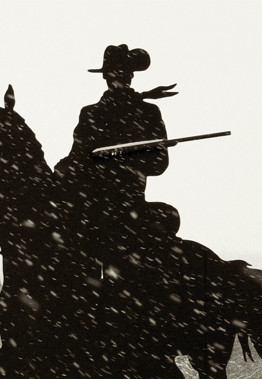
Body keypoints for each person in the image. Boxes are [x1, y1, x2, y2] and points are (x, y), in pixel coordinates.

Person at [54, 44, 179, 278]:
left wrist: (121, 159)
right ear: (105, 77)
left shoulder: (148, 112)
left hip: (129, 209)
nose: (117, 79)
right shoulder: (90, 113)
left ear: (131, 76)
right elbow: (77, 158)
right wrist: (62, 168)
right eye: (112, 74)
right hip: (89, 208)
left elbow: (159, 164)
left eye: (122, 74)